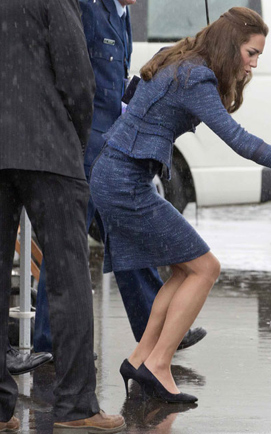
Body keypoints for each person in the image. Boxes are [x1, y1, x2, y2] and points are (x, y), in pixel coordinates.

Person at [89, 7, 271, 402]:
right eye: (251, 53)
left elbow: (133, 94)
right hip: (124, 183)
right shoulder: (196, 76)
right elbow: (240, 140)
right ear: (230, 45)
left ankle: (140, 358)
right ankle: (157, 364)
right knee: (206, 268)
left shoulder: (180, 57)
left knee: (184, 270)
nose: (255, 62)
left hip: (118, 175)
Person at [32, 0, 207, 357]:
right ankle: (51, 343)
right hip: (82, 147)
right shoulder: (87, 9)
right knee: (68, 245)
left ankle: (152, 329)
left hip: (110, 146)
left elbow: (112, 80)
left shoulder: (120, 14)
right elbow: (73, 75)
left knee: (126, 237)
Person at [0, 0, 125, 431]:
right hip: (49, 148)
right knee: (70, 278)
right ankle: (76, 406)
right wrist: (75, 139)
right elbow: (77, 79)